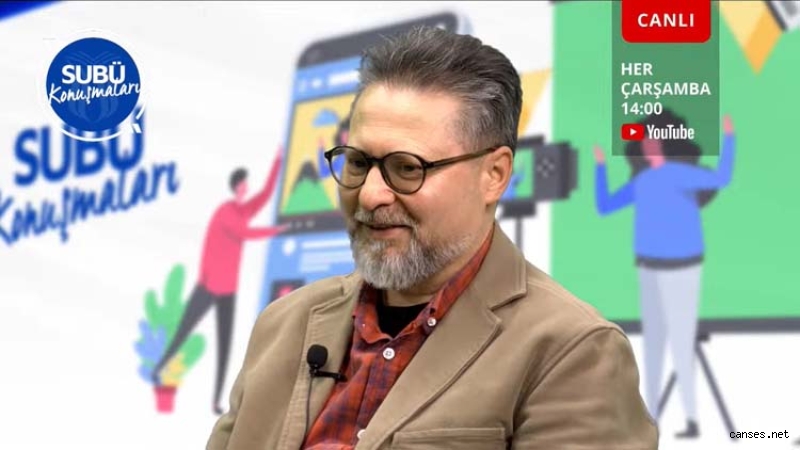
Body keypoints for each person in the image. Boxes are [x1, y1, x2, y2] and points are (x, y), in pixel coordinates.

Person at [207, 26, 657, 449]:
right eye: (358, 162)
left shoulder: (573, 351)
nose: (371, 194)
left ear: (494, 175)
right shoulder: (285, 322)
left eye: (407, 168)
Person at [593, 111, 736, 438]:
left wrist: (729, 138)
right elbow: (605, 205)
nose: (649, 145)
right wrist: (600, 168)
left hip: (683, 267)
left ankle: (691, 418)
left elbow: (723, 177)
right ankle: (651, 418)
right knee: (653, 344)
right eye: (645, 142)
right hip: (649, 267)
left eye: (653, 140)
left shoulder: (682, 174)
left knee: (682, 342)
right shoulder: (641, 181)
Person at [151, 154, 289, 415]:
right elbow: (244, 233)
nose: (246, 188)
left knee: (225, 344)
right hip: (208, 285)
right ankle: (159, 368)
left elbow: (264, 195)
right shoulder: (226, 212)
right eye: (243, 185)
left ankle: (217, 400)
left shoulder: (242, 210)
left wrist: (277, 163)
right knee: (184, 330)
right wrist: (276, 231)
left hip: (228, 289)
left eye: (246, 185)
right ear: (236, 187)